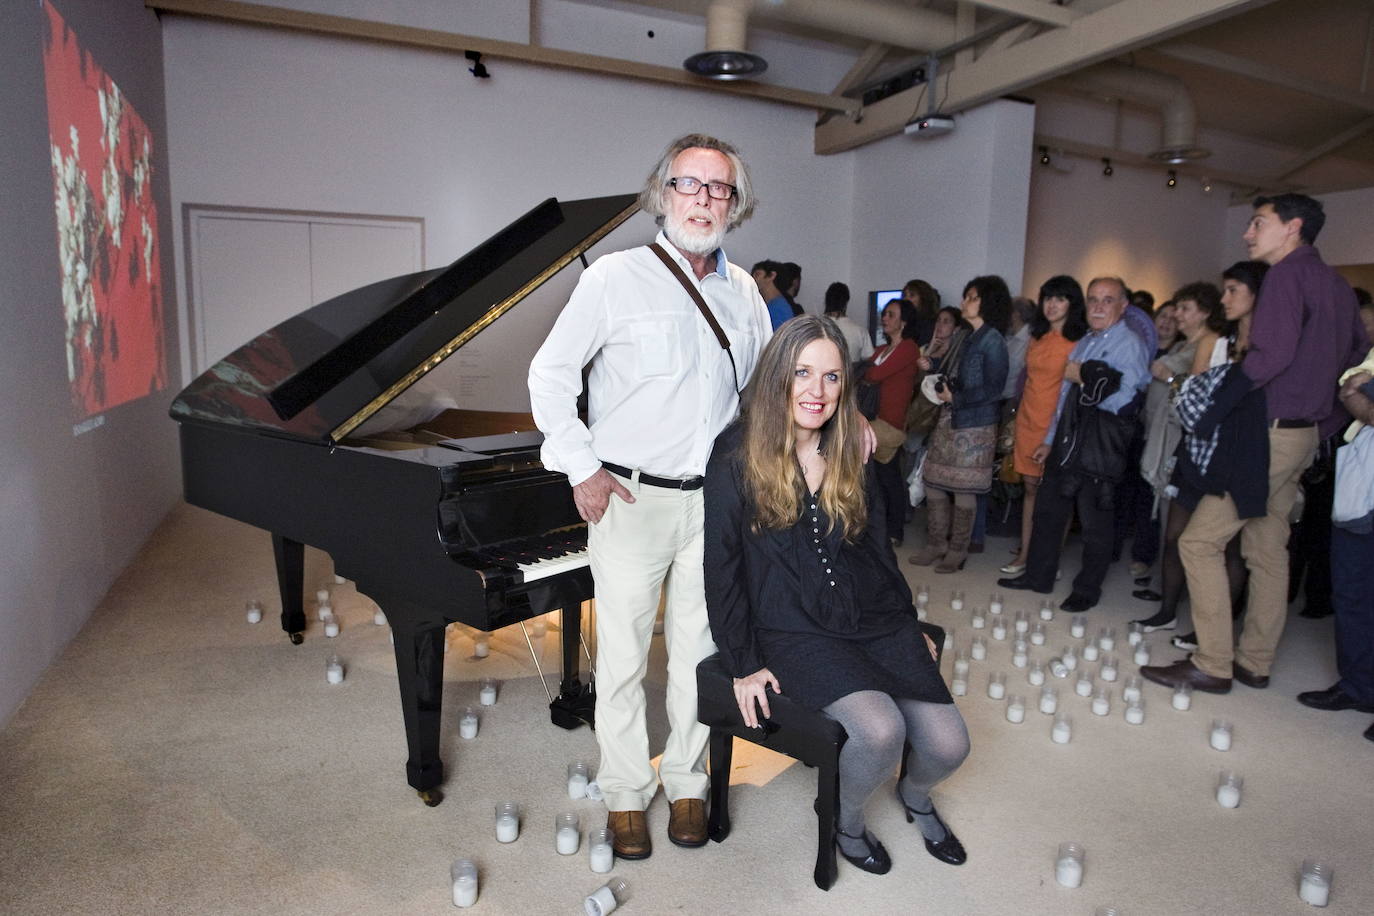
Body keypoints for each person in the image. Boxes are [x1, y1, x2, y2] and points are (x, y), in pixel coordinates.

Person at [527, 133, 772, 859]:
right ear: (662, 194)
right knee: (627, 656)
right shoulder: (614, 277)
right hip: (631, 502)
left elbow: (765, 390)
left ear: (736, 202)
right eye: (688, 185)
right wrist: (580, 468)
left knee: (703, 653)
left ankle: (688, 783)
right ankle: (628, 791)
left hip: (715, 506)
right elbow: (549, 376)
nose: (703, 200)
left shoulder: (746, 291)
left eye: (718, 188)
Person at [703, 315, 969, 877]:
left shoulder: (850, 444)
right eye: (802, 373)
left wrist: (905, 621)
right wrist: (743, 663)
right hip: (790, 629)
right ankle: (845, 820)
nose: (816, 392)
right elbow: (721, 567)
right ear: (778, 375)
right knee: (880, 730)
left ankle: (915, 796)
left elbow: (876, 551)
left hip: (870, 615)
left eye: (831, 377)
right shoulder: (734, 455)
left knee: (949, 746)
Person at [1143, 194, 1369, 694]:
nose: (1248, 233)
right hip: (1302, 435)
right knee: (1267, 548)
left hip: (1264, 435)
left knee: (1199, 543)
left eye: (1257, 223)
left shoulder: (1287, 275)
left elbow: (1270, 356)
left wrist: (1213, 411)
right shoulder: (1336, 284)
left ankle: (1213, 662)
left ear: (1292, 228)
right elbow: (1357, 351)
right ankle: (1254, 661)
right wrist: (1325, 419)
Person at [997, 277, 1150, 612]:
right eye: (1093, 299)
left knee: (1095, 521)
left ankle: (1087, 588)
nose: (1098, 306)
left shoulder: (1129, 344)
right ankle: (1037, 575)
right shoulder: (1086, 342)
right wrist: (1050, 440)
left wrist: (1086, 378)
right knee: (1049, 511)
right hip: (1067, 437)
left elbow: (1126, 403)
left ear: (1123, 306)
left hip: (1101, 442)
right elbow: (1065, 396)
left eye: (1107, 300)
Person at [1132, 281, 1233, 631]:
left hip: (1200, 447)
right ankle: (1168, 606)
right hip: (1179, 444)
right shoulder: (1187, 345)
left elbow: (1197, 403)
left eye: (1185, 308)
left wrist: (1175, 378)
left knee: (1198, 540)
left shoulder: (1213, 345)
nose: (1177, 313)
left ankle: (1204, 623)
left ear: (1205, 312)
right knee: (1172, 531)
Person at [909, 276, 1010, 573]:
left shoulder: (994, 341)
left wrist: (959, 396)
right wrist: (935, 368)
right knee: (934, 481)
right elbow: (958, 373)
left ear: (987, 303)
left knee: (964, 489)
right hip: (951, 418)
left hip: (975, 424)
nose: (965, 302)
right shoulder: (968, 336)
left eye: (972, 297)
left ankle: (957, 550)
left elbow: (995, 388)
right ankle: (937, 544)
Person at [1297, 362, 1374, 742]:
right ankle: (1357, 686)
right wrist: (1362, 392)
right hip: (1364, 479)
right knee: (1351, 590)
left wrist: (1365, 393)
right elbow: (1349, 384)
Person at [1002, 276, 1087, 576]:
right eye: (1048, 298)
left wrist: (1055, 433)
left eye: (1060, 298)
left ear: (1072, 303)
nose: (1052, 305)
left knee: (1054, 494)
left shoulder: (1078, 342)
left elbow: (1070, 392)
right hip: (1028, 419)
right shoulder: (1037, 337)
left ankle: (1050, 555)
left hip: (1056, 424)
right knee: (1029, 488)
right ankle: (1026, 552)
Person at [864, 298, 922, 545]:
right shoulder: (881, 350)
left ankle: (893, 529)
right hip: (875, 419)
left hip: (890, 422)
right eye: (885, 314)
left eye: (891, 314)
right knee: (881, 477)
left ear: (904, 322)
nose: (885, 318)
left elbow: (872, 373)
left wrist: (865, 373)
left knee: (886, 478)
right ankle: (887, 529)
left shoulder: (908, 348)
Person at [825, 281, 874, 365]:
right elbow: (869, 359)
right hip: (849, 377)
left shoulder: (814, 326)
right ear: (846, 302)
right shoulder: (860, 331)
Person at [752, 259, 793, 330]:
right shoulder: (769, 304)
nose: (753, 278)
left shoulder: (780, 308)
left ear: (772, 275)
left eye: (757, 274)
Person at [902, 279, 941, 348]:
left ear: (924, 298)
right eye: (905, 295)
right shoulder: (905, 322)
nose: (906, 299)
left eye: (912, 295)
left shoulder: (932, 323)